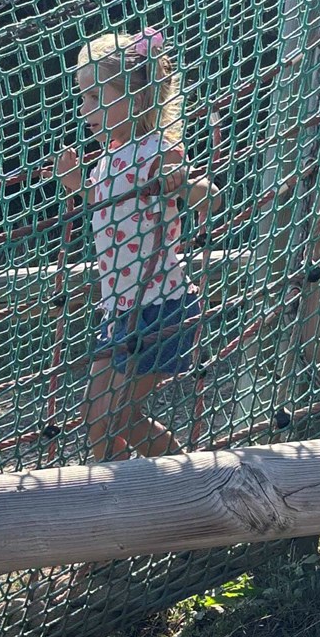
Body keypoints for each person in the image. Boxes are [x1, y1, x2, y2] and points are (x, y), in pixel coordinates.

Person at [54, 25, 217, 461]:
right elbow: (107, 203)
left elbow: (203, 192)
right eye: (83, 97)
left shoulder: (155, 151)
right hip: (119, 309)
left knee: (120, 417)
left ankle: (187, 477)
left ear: (136, 98)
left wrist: (186, 185)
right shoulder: (106, 159)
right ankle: (121, 492)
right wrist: (77, 184)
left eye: (95, 96)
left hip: (160, 305)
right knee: (95, 419)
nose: (84, 109)